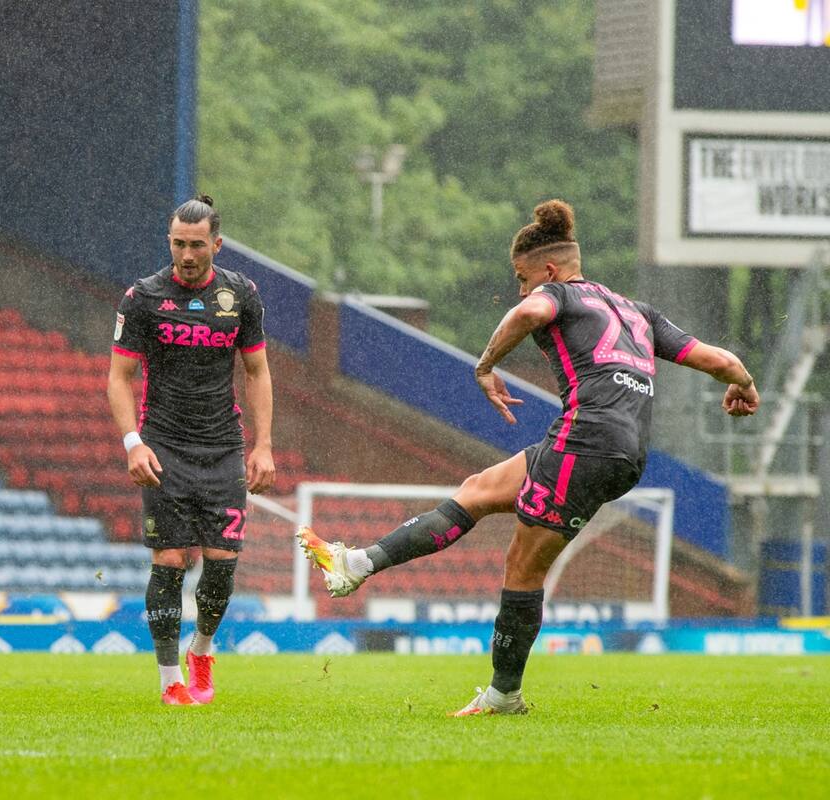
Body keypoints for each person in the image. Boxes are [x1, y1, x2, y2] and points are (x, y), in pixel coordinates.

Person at [299, 199, 759, 716]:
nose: (522, 288)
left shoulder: (554, 295)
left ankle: (503, 695)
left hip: (585, 442)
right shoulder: (637, 312)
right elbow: (722, 361)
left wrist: (486, 364)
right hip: (620, 450)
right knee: (478, 489)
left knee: (522, 565)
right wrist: (742, 385)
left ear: (548, 269)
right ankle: (356, 564)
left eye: (523, 277)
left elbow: (530, 311)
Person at [108, 194, 276, 706]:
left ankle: (201, 650)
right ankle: (168, 681)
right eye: (178, 243)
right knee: (171, 558)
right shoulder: (142, 298)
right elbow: (119, 377)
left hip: (224, 446)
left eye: (196, 245)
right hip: (163, 447)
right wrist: (132, 443)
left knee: (222, 561)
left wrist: (264, 445)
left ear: (216, 245)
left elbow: (256, 370)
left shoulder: (241, 295)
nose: (185, 254)